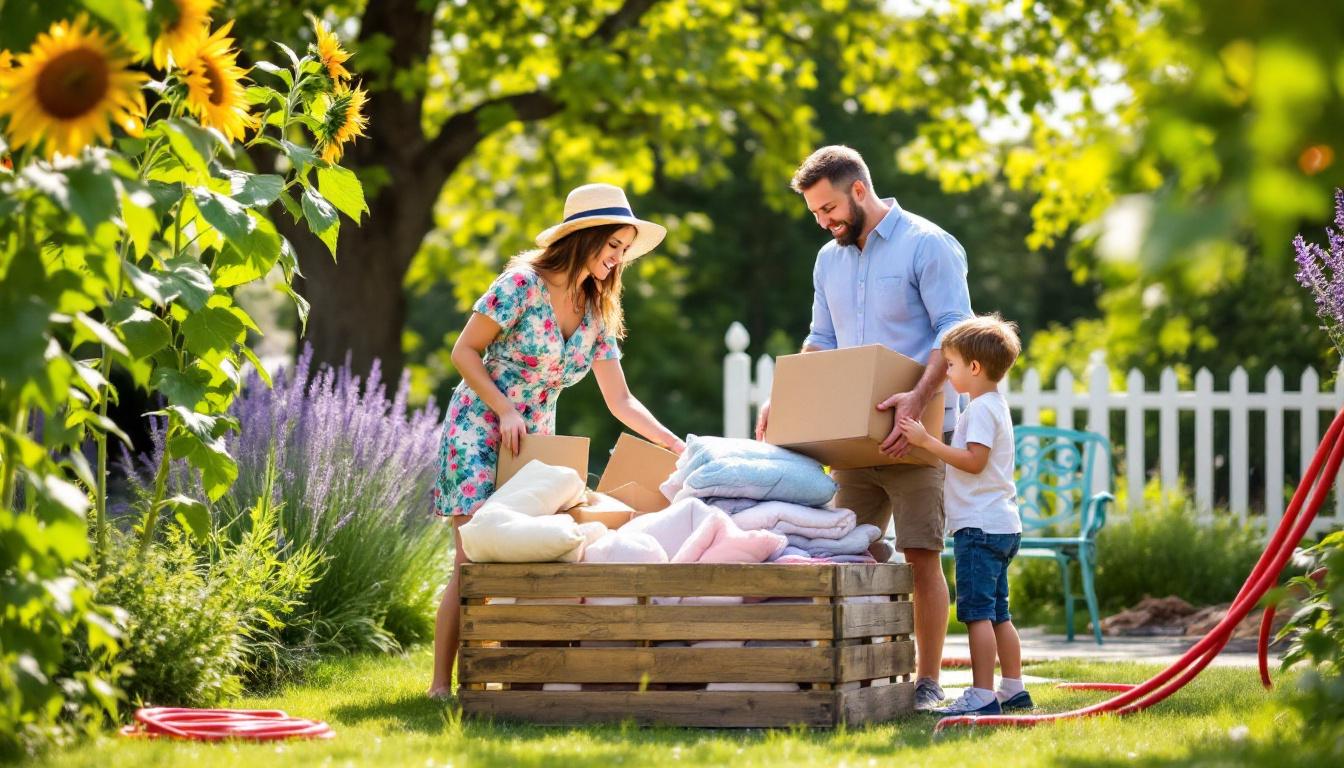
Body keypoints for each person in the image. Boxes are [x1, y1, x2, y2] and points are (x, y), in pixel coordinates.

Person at [427, 183, 685, 698]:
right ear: (584, 237)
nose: (617, 260)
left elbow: (621, 401)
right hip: (480, 429)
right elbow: (463, 351)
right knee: (473, 559)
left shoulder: (596, 311)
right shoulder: (519, 285)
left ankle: (516, 676)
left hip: (535, 447)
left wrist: (677, 447)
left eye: (624, 250)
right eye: (612, 245)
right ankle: (442, 685)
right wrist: (503, 408)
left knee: (526, 559)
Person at [756, 145, 972, 710]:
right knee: (843, 551)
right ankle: (866, 668)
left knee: (922, 553)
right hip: (850, 438)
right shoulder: (829, 259)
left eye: (827, 209)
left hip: (919, 433)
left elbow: (954, 334)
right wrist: (785, 396)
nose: (823, 222)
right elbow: (821, 340)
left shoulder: (928, 245)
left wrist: (916, 400)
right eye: (814, 214)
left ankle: (927, 684)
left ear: (858, 190)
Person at [899, 314, 1030, 716]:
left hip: (979, 529)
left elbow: (974, 461)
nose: (948, 372)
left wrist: (928, 442)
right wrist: (924, 446)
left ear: (974, 368)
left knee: (976, 614)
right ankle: (1013, 688)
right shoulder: (996, 406)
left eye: (951, 365)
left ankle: (982, 694)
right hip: (1002, 526)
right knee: (999, 614)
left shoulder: (978, 412)